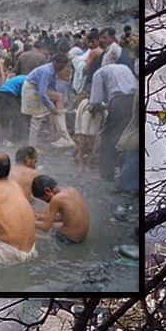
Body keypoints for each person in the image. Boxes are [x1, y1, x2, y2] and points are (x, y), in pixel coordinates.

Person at [88, 56, 137, 185]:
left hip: (119, 101)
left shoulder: (98, 73)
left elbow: (95, 102)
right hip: (134, 100)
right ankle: (123, 172)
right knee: (126, 137)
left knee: (108, 139)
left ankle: (106, 174)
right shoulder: (124, 67)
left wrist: (92, 111)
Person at [32, 175, 90, 244]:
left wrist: (29, 222)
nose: (48, 202)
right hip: (82, 237)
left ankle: (47, 239)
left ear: (47, 191)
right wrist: (39, 217)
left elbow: (46, 227)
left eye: (46, 200)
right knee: (55, 226)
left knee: (33, 235)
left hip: (70, 240)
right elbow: (67, 217)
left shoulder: (56, 199)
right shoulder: (72, 190)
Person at [0, 73, 27, 145]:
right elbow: (22, 94)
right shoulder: (27, 80)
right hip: (8, 93)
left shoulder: (23, 77)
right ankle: (14, 139)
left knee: (5, 116)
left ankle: (3, 138)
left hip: (2, 92)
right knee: (16, 115)